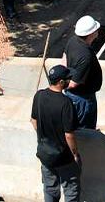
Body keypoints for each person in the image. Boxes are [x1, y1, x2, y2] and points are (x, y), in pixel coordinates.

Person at [31, 65, 81, 202]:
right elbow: (69, 134)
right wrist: (75, 154)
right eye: (68, 78)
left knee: (50, 188)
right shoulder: (66, 103)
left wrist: (45, 137)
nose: (70, 80)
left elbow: (33, 121)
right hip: (63, 157)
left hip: (45, 153)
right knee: (71, 191)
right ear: (60, 82)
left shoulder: (39, 95)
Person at [64, 15, 103, 129]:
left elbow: (64, 58)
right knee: (84, 130)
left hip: (76, 96)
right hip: (82, 99)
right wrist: (61, 86)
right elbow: (73, 84)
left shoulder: (73, 40)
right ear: (91, 34)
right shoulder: (85, 57)